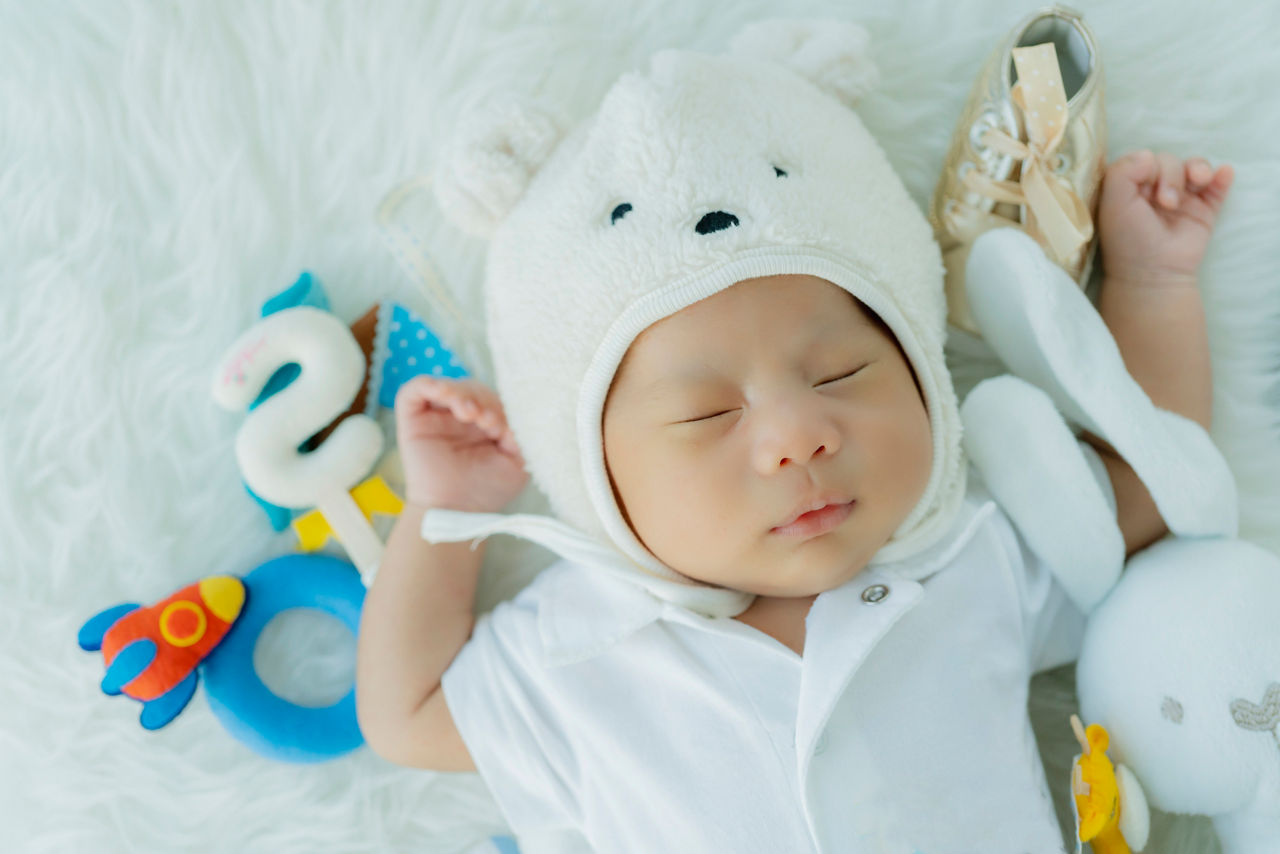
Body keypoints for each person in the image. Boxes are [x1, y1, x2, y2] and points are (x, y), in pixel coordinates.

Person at [354, 35, 1234, 851]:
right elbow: (405, 712)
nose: (799, 437)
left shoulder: (971, 553)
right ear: (597, 478)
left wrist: (1152, 283)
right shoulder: (580, 646)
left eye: (841, 374)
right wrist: (445, 511)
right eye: (706, 415)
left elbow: (1146, 486)